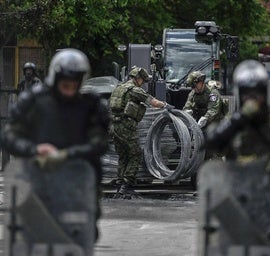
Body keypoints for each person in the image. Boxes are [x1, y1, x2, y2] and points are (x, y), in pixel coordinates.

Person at [1, 48, 109, 241]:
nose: (69, 89)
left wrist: (68, 154)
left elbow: (100, 141)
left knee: (86, 232)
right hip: (38, 175)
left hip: (78, 179)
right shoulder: (34, 100)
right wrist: (34, 150)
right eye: (65, 84)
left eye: (74, 84)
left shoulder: (91, 105)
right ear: (55, 78)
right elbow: (9, 136)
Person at [205, 60, 270, 173]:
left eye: (257, 94)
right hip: (236, 185)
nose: (252, 99)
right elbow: (211, 142)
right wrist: (237, 121)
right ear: (239, 95)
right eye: (246, 94)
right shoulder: (232, 123)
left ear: (265, 94)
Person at [109, 66, 169, 199]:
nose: (143, 83)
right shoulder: (135, 90)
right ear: (138, 79)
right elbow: (152, 101)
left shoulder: (119, 88)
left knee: (123, 156)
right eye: (143, 80)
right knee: (135, 155)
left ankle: (120, 187)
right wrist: (165, 105)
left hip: (115, 126)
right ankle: (127, 186)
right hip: (127, 127)